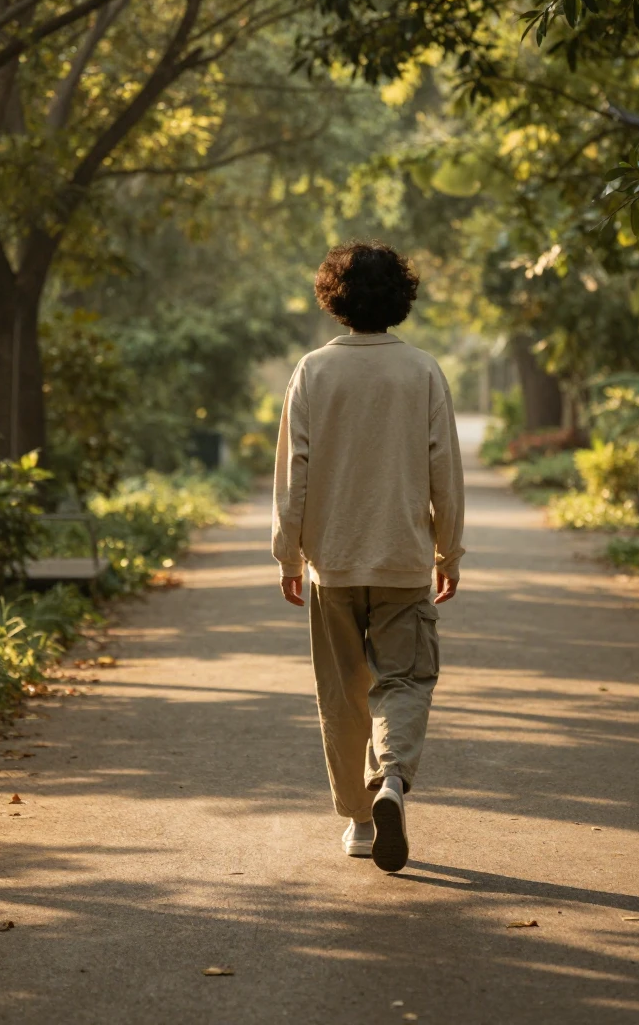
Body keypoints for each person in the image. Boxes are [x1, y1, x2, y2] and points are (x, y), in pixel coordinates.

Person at [272, 241, 465, 872]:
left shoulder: (313, 371)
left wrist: (289, 553)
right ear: (400, 299)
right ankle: (391, 784)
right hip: (403, 558)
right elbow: (445, 470)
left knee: (343, 691)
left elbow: (293, 471)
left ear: (335, 299)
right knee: (404, 680)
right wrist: (449, 550)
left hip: (334, 559)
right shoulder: (423, 371)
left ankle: (359, 823)